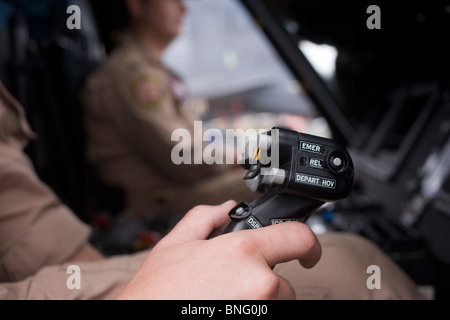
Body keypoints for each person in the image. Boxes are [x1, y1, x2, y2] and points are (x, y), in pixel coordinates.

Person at [0, 80, 423, 300]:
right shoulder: (132, 75)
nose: (182, 7)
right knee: (357, 266)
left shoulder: (155, 73)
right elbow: (176, 155)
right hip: (151, 198)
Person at [80, 0, 257, 221]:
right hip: (157, 205)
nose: (184, 8)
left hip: (180, 188)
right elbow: (182, 157)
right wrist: (241, 159)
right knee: (275, 182)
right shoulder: (132, 76)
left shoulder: (148, 70)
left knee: (275, 177)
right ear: (136, 6)